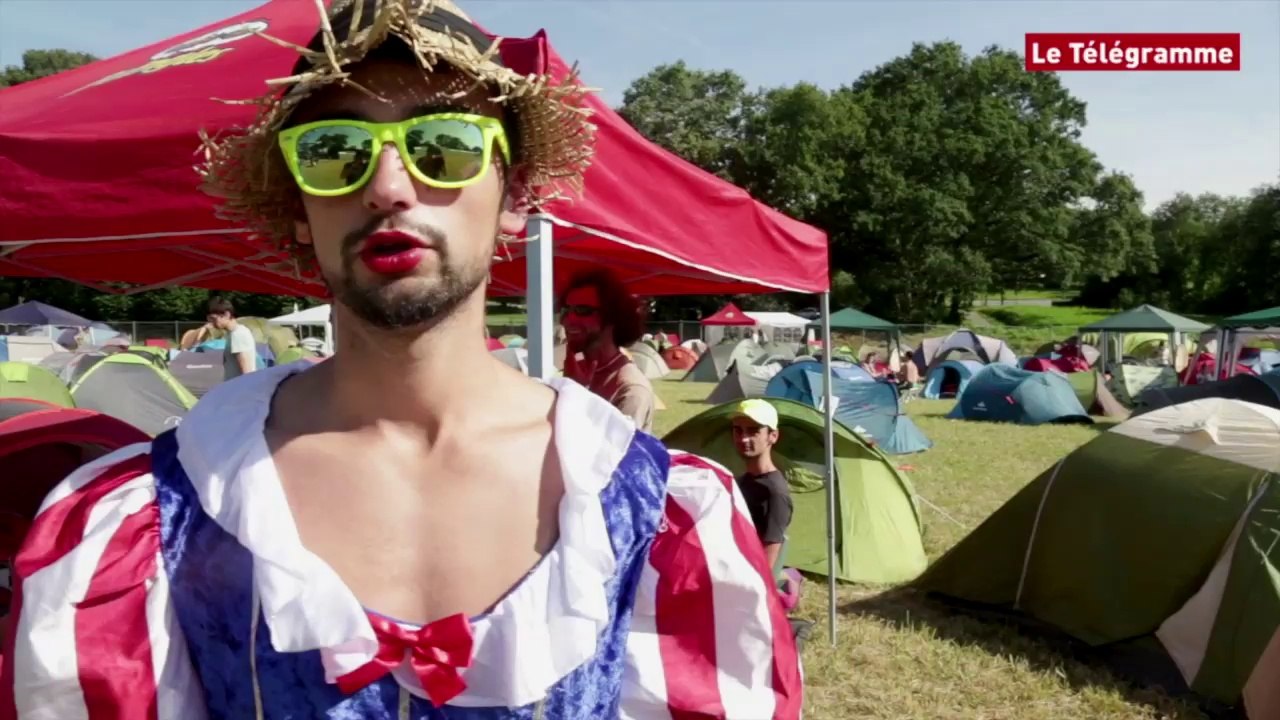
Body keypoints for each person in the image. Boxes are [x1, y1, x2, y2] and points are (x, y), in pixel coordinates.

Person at [0, 2, 801, 718]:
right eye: (335, 149)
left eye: (444, 146)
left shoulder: (660, 518)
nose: (387, 186)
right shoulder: (156, 517)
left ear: (515, 194)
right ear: (299, 209)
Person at [560, 267, 657, 432]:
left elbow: (607, 455)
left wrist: (575, 393)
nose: (569, 320)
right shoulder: (579, 371)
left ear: (612, 316)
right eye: (566, 310)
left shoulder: (631, 390)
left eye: (583, 311)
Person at [731, 399, 793, 573]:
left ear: (773, 436)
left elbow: (765, 566)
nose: (743, 438)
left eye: (753, 431)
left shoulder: (774, 493)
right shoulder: (741, 481)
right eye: (738, 430)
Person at [204, 296, 257, 380]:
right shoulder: (232, 334)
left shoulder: (238, 334)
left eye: (214, 319)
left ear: (226, 314)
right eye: (209, 319)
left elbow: (247, 371)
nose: (211, 323)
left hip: (240, 389)